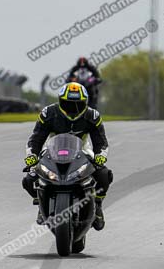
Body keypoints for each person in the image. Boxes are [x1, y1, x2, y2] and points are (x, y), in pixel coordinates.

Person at [22, 82, 112, 230]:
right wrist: (31, 156)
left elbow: (101, 141)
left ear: (85, 103)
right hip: (52, 150)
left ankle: (98, 205)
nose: (73, 109)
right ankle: (40, 204)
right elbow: (36, 139)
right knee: (29, 179)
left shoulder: (92, 116)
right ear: (60, 101)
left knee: (103, 174)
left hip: (82, 150)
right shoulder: (48, 113)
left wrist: (100, 156)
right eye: (69, 104)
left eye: (78, 104)